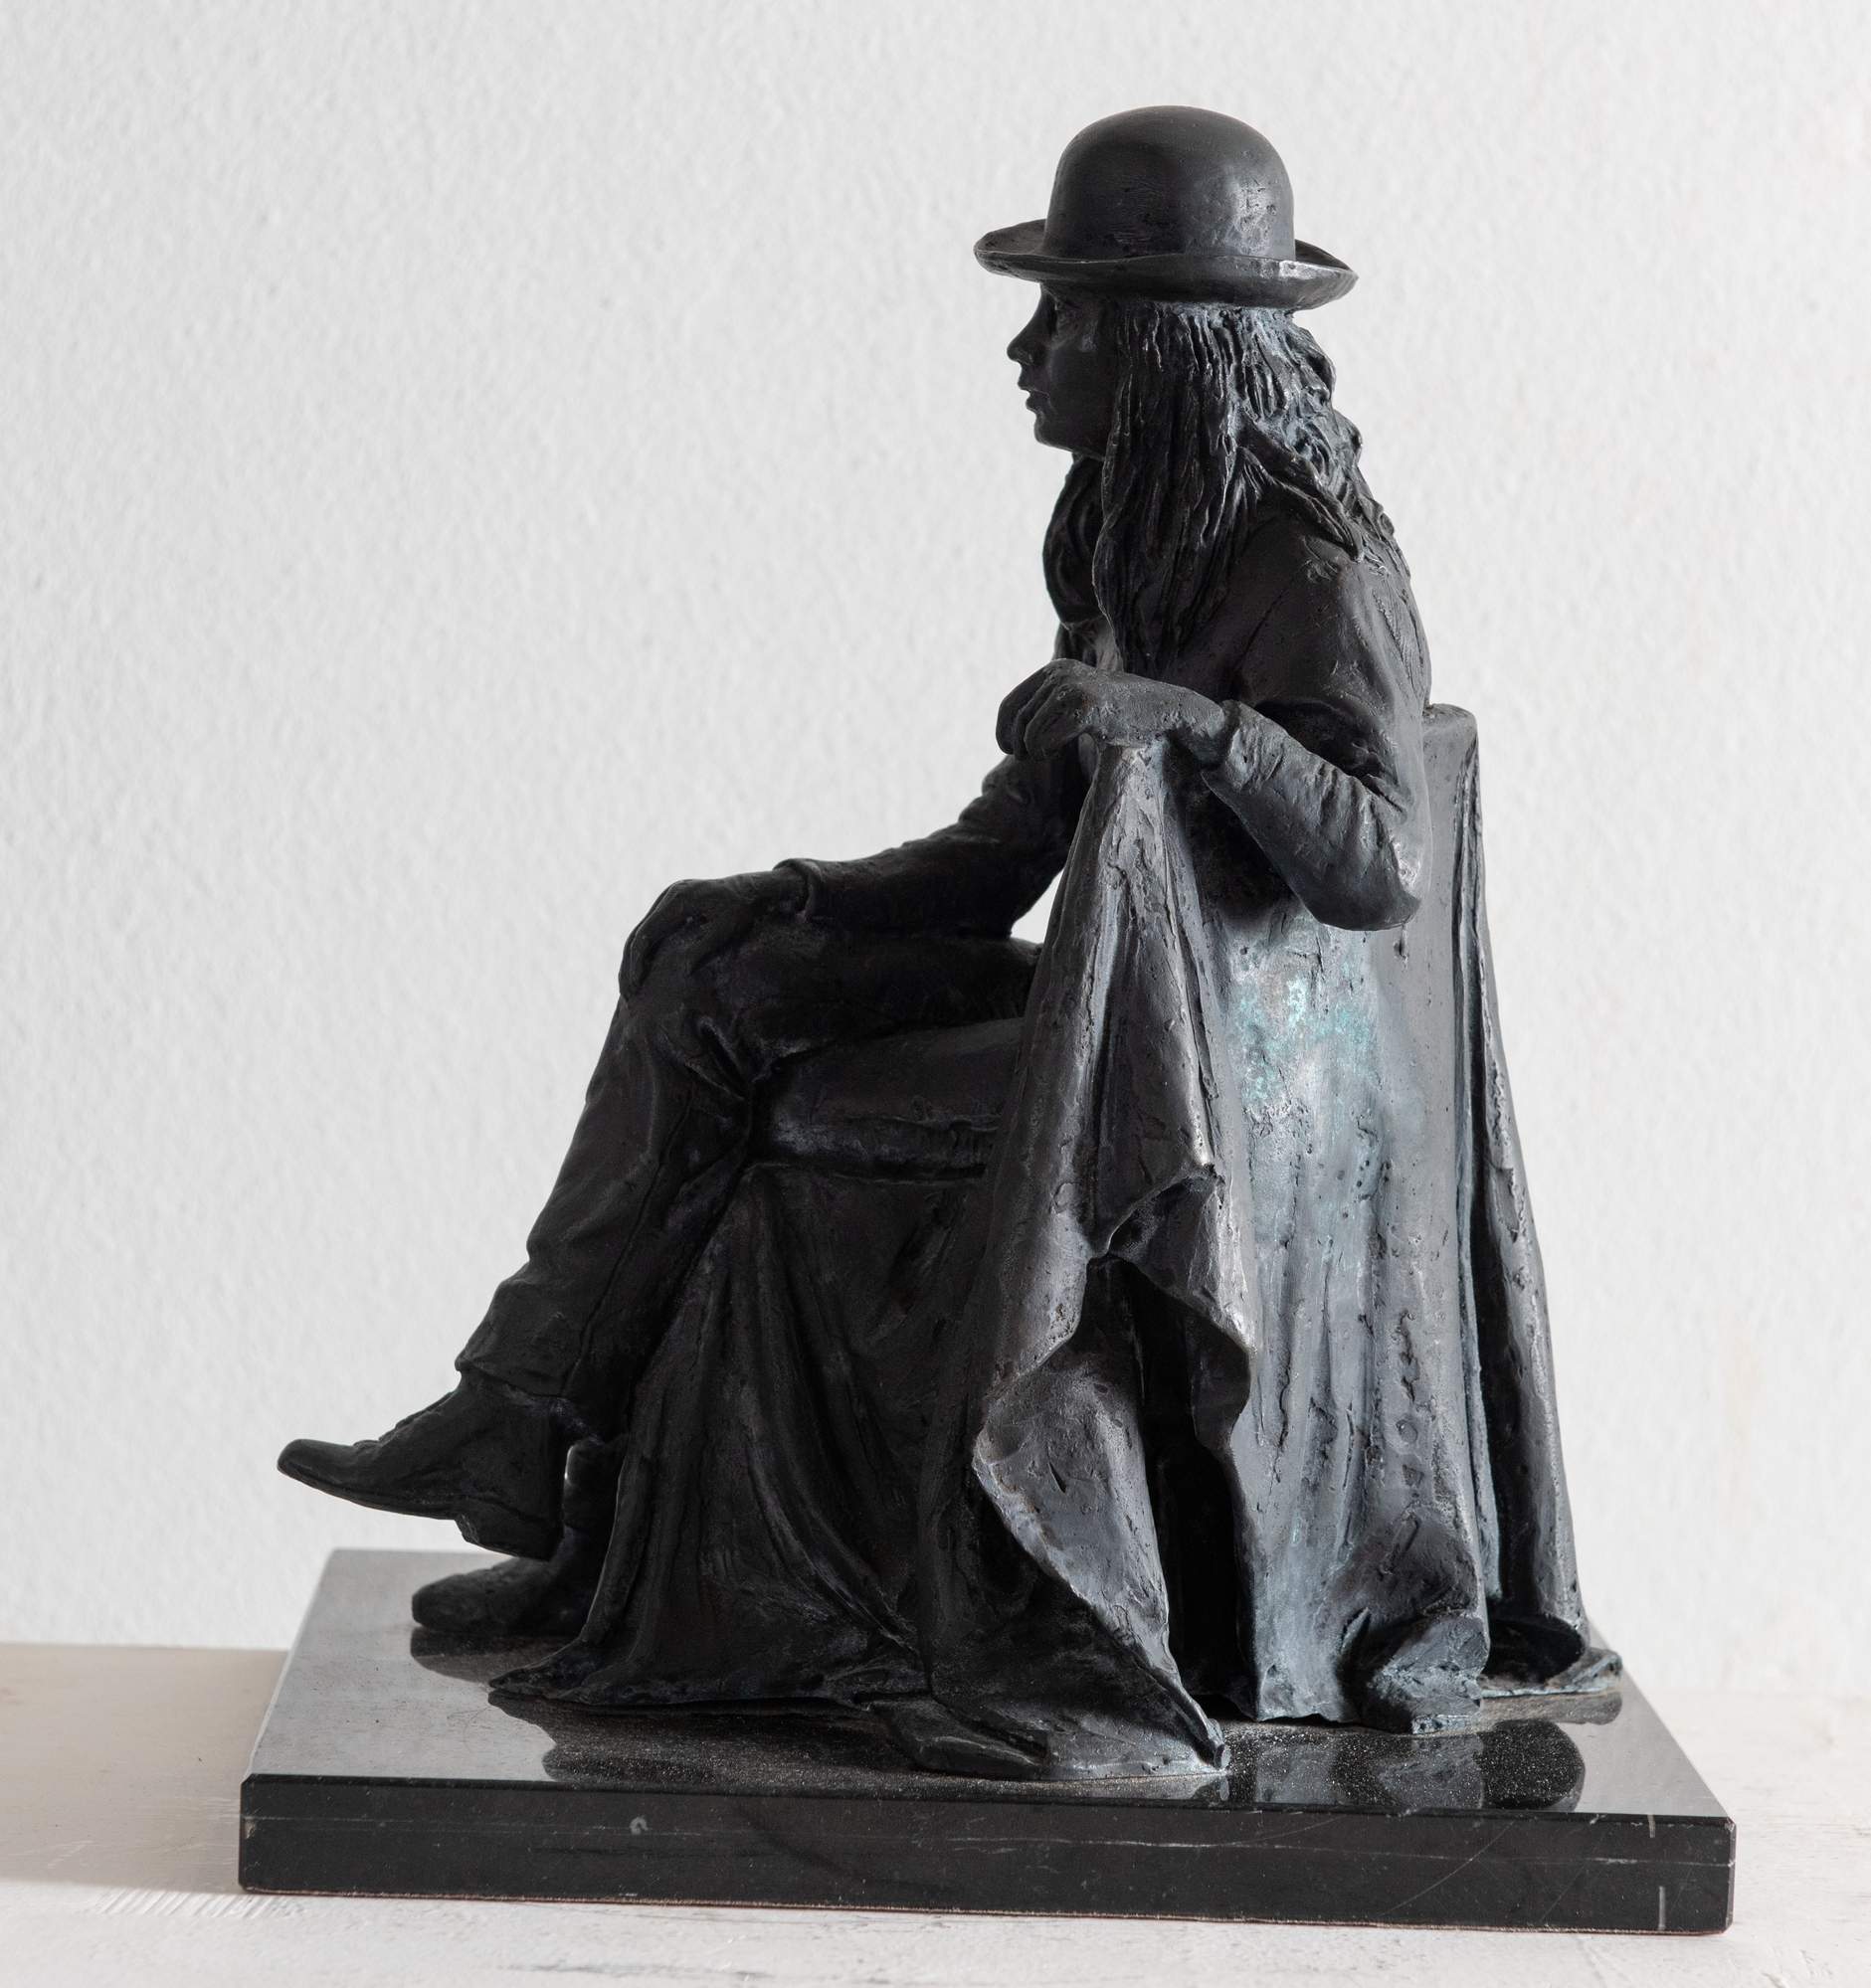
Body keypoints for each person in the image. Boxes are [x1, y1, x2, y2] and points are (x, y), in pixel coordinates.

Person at [283, 107, 1602, 1774]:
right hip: (1126, 1020)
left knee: (795, 1125)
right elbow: (1007, 857)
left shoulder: (1315, 574)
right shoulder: (1128, 536)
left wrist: (1198, 726)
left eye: (1062, 318)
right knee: (713, 985)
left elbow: (1377, 866)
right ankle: (522, 1430)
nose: (1024, 350)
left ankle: (912, 1609)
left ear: (1160, 349)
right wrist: (796, 902)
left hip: (1238, 1093)